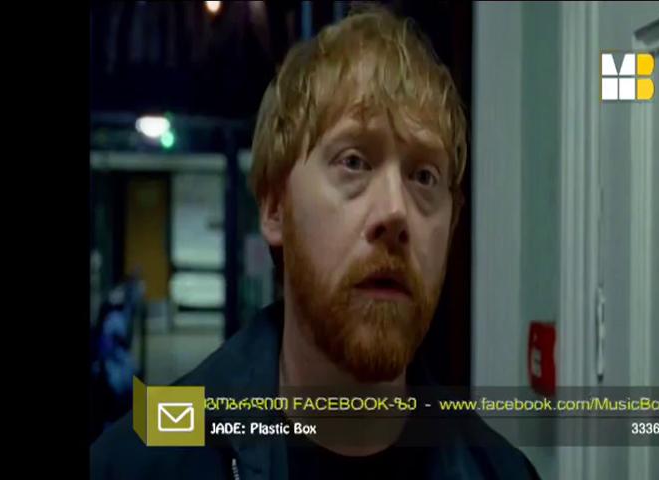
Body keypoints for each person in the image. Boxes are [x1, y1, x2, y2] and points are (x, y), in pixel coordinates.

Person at [91, 5, 539, 479]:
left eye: (424, 176)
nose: (395, 211)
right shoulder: (138, 463)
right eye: (354, 162)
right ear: (274, 208)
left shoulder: (502, 472)